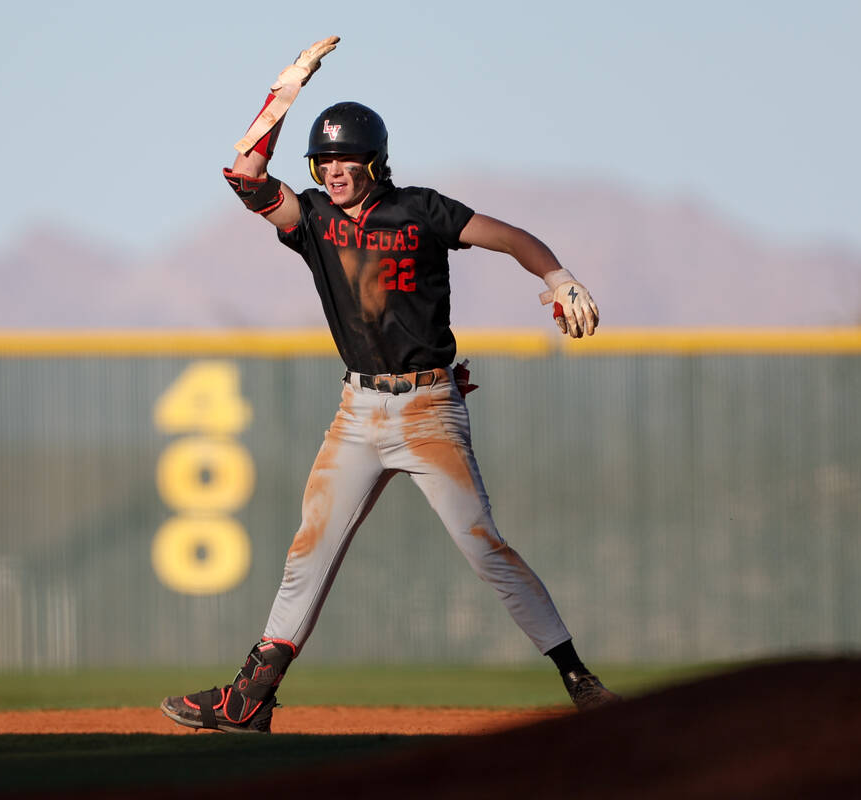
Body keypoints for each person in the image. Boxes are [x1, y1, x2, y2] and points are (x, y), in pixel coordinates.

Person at [160, 39, 615, 734]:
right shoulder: (311, 219)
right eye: (326, 160)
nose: (334, 170)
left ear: (373, 160)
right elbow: (244, 171)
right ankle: (250, 699)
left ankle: (577, 677)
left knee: (482, 546)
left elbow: (511, 236)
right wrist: (287, 90)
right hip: (358, 410)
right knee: (307, 552)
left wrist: (557, 276)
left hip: (430, 408)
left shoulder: (420, 211)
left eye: (346, 158)